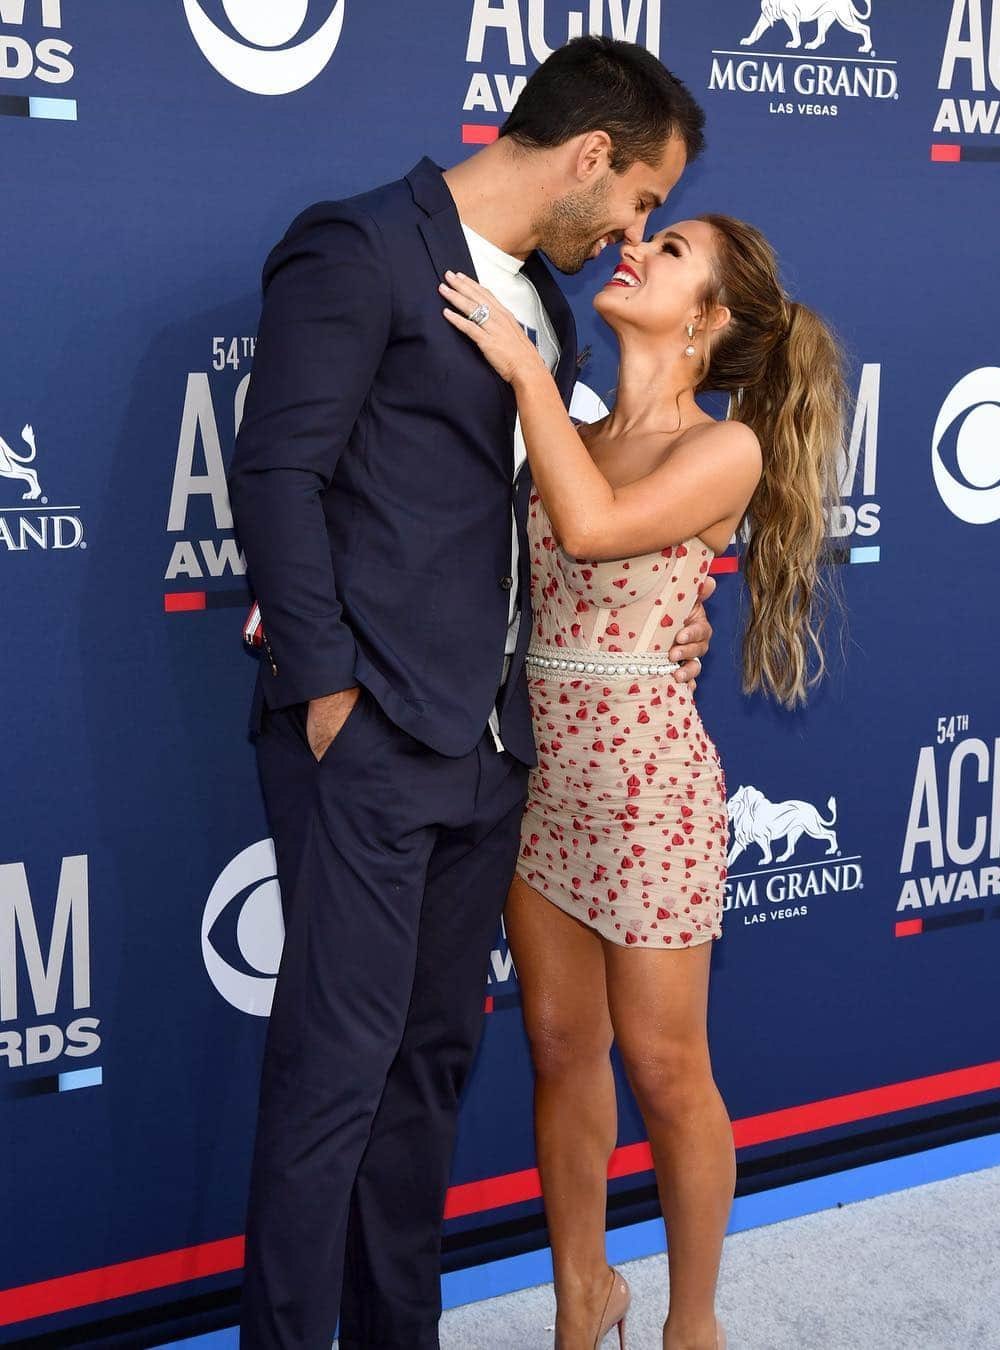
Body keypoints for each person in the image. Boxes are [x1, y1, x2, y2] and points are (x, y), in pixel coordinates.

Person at [226, 35, 717, 1350]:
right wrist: (329, 695)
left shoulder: (545, 316)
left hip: (492, 751)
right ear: (591, 155)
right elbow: (276, 477)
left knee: (426, 1077)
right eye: (642, 198)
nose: (633, 226)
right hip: (368, 737)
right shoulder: (357, 245)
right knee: (332, 1077)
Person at [439, 209, 851, 1349]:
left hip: (648, 792)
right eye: (646, 237)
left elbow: (591, 523)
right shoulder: (567, 415)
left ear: (708, 320)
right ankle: (584, 1301)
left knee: (670, 1072)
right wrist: (538, 386)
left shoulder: (726, 446)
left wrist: (520, 364)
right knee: (563, 1050)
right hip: (540, 781)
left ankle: (694, 1325)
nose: (637, 251)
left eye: (669, 254)